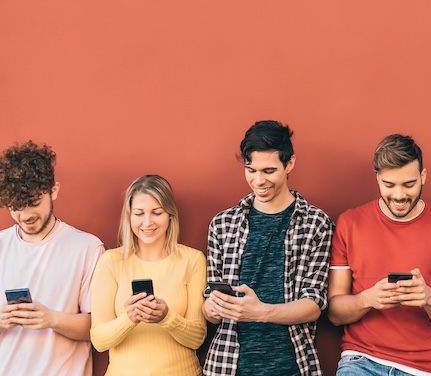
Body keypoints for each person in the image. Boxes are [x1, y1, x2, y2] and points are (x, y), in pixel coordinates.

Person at [328, 134, 431, 376]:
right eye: (389, 185)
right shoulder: (350, 223)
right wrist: (368, 299)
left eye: (409, 184)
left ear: (423, 176)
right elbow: (334, 313)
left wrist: (429, 298)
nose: (400, 196)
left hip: (423, 369)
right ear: (377, 179)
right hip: (360, 361)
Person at [203, 120, 334, 376]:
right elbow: (210, 306)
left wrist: (261, 312)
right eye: (251, 170)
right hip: (227, 366)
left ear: (290, 164)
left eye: (269, 170)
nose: (258, 180)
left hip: (293, 365)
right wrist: (211, 308)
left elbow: (314, 303)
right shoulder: (222, 224)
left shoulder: (317, 223)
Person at [0, 141, 105, 375]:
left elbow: (98, 329)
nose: (25, 215)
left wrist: (51, 319)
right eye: (16, 207)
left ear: (54, 190)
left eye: (34, 203)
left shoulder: (87, 247)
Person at [90, 175, 207, 375]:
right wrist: (129, 318)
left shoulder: (193, 260)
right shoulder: (110, 261)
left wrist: (166, 317)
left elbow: (197, 338)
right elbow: (99, 341)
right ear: (129, 217)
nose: (147, 222)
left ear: (170, 215)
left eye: (156, 212)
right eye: (139, 213)